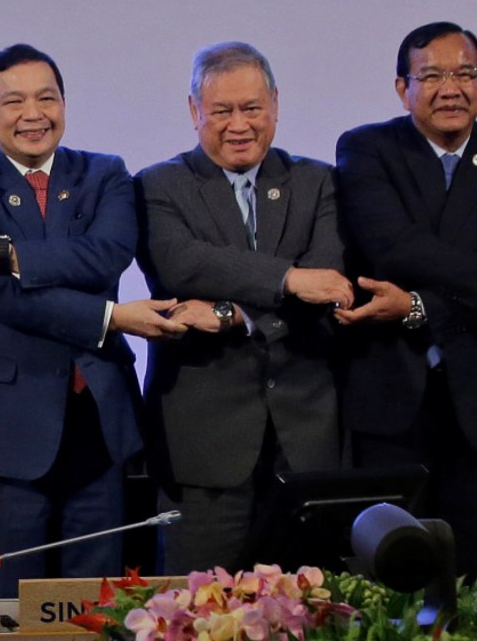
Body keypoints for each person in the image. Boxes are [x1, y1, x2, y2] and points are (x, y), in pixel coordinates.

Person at [0, 43, 185, 597]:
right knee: (7, 604)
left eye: (47, 98)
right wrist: (110, 316)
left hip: (99, 424)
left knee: (95, 606)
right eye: (14, 101)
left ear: (65, 105)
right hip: (6, 428)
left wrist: (7, 253)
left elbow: (107, 254)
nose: (34, 114)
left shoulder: (106, 173)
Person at [333, 21, 477, 584]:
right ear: (401, 88)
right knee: (389, 574)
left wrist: (418, 306)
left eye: (465, 73)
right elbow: (393, 246)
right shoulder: (367, 148)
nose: (450, 87)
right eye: (431, 75)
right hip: (390, 396)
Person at [135, 42, 354, 574]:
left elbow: (326, 285)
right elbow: (184, 265)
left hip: (306, 442)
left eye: (252, 108)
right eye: (222, 111)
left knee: (311, 612)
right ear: (194, 112)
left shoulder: (318, 181)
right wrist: (290, 278)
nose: (239, 125)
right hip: (204, 447)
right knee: (194, 615)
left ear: (275, 104)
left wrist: (235, 315)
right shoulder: (157, 186)